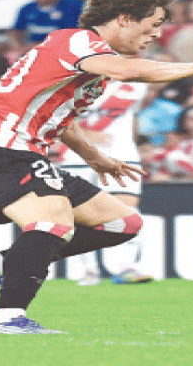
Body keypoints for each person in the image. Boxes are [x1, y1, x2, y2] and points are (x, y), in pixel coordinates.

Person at [0, 0, 193, 334]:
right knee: (51, 224)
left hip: (19, 152)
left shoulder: (91, 66)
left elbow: (61, 120)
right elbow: (128, 71)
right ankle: (8, 317)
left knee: (121, 224)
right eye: (152, 24)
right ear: (122, 19)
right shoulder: (77, 41)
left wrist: (95, 156)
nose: (156, 34)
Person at [58, 80, 153, 286]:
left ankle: (126, 267)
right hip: (76, 155)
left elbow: (133, 120)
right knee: (78, 212)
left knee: (127, 209)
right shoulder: (67, 83)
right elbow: (52, 117)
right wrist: (84, 134)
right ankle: (89, 270)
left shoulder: (132, 84)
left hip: (120, 152)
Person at [10, 0, 84, 49]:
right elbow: (16, 31)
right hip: (31, 47)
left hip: (62, 48)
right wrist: (17, 46)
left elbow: (70, 34)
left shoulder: (71, 5)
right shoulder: (27, 8)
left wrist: (35, 47)